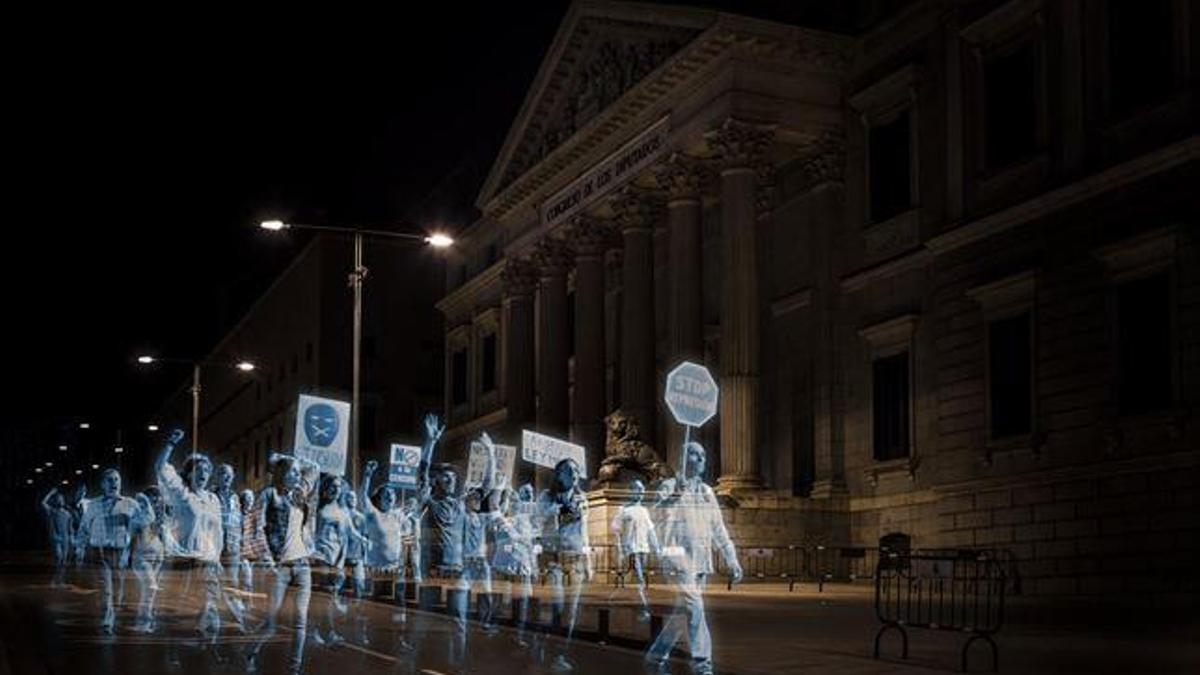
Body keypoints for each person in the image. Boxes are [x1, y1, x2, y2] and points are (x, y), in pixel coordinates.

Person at [645, 441, 742, 675]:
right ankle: (702, 665)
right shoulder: (670, 485)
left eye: (703, 456)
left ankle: (655, 656)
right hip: (677, 559)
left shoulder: (708, 492)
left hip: (700, 561)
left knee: (683, 615)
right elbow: (653, 507)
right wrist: (671, 492)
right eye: (694, 455)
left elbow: (719, 529)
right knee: (696, 608)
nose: (700, 460)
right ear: (682, 459)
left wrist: (732, 559)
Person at [157, 429, 244, 646]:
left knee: (207, 608)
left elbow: (218, 533)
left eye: (206, 470)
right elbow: (160, 468)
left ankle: (203, 650)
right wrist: (170, 443)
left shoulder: (213, 499)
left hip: (207, 562)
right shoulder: (181, 493)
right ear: (189, 473)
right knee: (180, 611)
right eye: (198, 469)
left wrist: (217, 560)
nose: (203, 473)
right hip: (183, 561)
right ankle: (173, 652)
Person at [247, 452, 320, 675]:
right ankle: (251, 651)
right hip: (280, 567)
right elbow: (254, 527)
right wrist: (266, 558)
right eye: (293, 471)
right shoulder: (270, 495)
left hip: (302, 565)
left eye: (299, 472)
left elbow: (315, 467)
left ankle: (294, 669)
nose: (298, 475)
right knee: (271, 622)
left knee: (300, 621)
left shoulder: (299, 495)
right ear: (281, 473)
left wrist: (291, 459)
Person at [537, 457, 594, 672]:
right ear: (558, 474)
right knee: (557, 606)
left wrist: (589, 561)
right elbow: (540, 519)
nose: (574, 474)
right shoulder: (546, 497)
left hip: (576, 559)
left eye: (577, 471)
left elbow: (585, 532)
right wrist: (561, 510)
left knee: (571, 613)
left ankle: (561, 653)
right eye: (569, 471)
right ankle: (551, 646)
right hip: (554, 560)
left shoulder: (582, 499)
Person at [77, 468, 139, 634]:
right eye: (110, 480)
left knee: (118, 593)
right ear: (102, 485)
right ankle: (107, 623)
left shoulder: (130, 504)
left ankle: (111, 616)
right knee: (106, 590)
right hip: (99, 552)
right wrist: (79, 550)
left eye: (117, 479)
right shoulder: (93, 505)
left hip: (121, 554)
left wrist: (145, 511)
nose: (114, 483)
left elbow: (145, 523)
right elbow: (83, 529)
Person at [310, 475, 369, 646]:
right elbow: (313, 534)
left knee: (329, 596)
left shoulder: (343, 511)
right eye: (332, 486)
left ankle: (319, 631)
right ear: (325, 488)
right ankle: (325, 632)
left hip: (338, 560)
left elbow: (351, 532)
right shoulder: (319, 509)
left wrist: (366, 541)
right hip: (323, 558)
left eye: (338, 487)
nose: (335, 490)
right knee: (326, 596)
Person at [491, 483, 539, 648]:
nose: (514, 502)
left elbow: (530, 545)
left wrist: (534, 566)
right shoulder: (500, 520)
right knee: (498, 603)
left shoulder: (526, 520)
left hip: (521, 567)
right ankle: (495, 630)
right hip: (503, 567)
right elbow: (494, 507)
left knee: (521, 603)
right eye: (511, 499)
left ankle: (518, 635)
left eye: (515, 499)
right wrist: (501, 485)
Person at [611, 478, 660, 620]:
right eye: (637, 489)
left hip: (643, 548)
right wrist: (621, 546)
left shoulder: (644, 510)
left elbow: (651, 530)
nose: (640, 492)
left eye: (642, 490)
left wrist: (656, 546)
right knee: (639, 577)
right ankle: (643, 607)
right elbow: (615, 528)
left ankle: (641, 603)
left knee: (641, 577)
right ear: (631, 491)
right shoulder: (624, 509)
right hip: (632, 548)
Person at [129, 487, 167, 633]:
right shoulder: (138, 516)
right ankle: (143, 622)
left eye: (157, 498)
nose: (155, 501)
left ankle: (147, 621)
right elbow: (131, 536)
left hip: (158, 557)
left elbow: (163, 539)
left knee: (150, 591)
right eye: (152, 497)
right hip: (141, 557)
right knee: (150, 588)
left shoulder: (161, 517)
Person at [214, 463, 246, 617]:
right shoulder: (211, 495)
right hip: (215, 547)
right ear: (217, 477)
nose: (226, 477)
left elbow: (238, 523)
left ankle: (235, 616)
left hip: (233, 547)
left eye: (229, 474)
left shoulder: (235, 497)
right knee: (214, 581)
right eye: (222, 473)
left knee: (232, 581)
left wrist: (241, 544)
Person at [340, 489, 370, 644]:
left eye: (354, 497)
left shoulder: (361, 517)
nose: (352, 499)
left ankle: (358, 616)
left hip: (357, 557)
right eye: (349, 496)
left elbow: (365, 537)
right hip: (342, 557)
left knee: (359, 585)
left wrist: (365, 559)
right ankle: (339, 619)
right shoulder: (341, 515)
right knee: (340, 588)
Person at [238, 488, 267, 610]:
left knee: (249, 579)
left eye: (251, 499)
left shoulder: (254, 516)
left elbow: (258, 534)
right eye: (247, 498)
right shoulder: (238, 515)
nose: (249, 501)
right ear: (242, 500)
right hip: (241, 552)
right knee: (246, 578)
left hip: (251, 553)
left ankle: (247, 602)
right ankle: (244, 602)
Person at [40, 487, 75, 587]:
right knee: (59, 559)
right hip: (56, 538)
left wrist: (72, 538)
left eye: (61, 499)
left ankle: (60, 581)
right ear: (55, 501)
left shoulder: (68, 514)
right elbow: (43, 503)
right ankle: (54, 580)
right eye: (58, 499)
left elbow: (70, 528)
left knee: (63, 561)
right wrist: (51, 493)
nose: (60, 500)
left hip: (65, 539)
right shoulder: (52, 511)